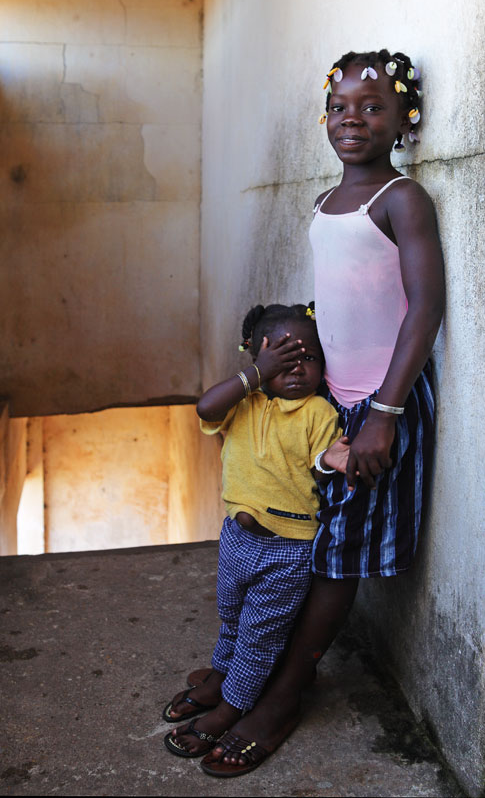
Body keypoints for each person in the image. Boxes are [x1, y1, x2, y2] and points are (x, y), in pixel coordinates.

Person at [199, 49, 445, 778]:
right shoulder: (326, 203)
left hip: (379, 405)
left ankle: (282, 695)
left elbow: (424, 309)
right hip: (334, 403)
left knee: (338, 561)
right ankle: (246, 671)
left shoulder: (402, 199)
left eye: (372, 107)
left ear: (405, 119)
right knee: (303, 544)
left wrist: (386, 413)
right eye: (340, 106)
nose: (352, 119)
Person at [163, 302, 349, 758]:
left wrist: (332, 461)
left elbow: (320, 466)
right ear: (256, 356)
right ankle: (224, 677)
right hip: (237, 541)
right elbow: (205, 406)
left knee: (259, 635)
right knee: (232, 618)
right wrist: (256, 376)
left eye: (308, 358)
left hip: (287, 551)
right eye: (283, 358)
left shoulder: (317, 413)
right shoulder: (242, 401)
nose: (297, 369)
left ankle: (232, 708)